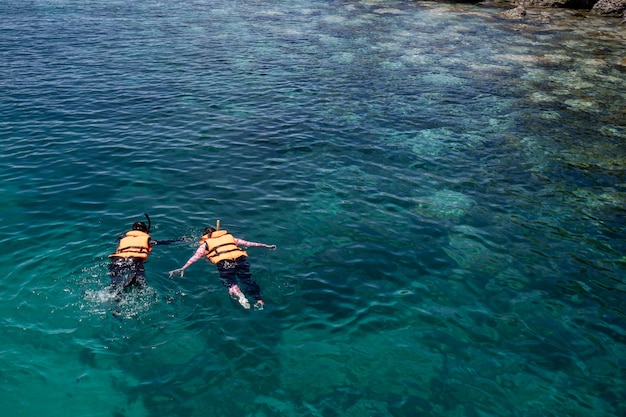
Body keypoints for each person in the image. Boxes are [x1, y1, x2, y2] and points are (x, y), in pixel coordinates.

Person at [169, 224, 276, 310]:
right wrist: (266, 246)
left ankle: (240, 297)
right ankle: (259, 300)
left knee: (231, 282)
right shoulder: (230, 238)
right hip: (240, 260)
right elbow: (249, 243)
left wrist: (183, 268)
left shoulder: (205, 243)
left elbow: (196, 256)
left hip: (225, 263)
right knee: (247, 280)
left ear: (205, 235)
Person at [109, 216, 183, 294]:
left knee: (115, 283)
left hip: (117, 260)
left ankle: (115, 296)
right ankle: (134, 282)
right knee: (141, 282)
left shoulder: (122, 239)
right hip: (134, 260)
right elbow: (164, 242)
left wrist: (119, 236)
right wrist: (179, 240)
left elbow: (116, 240)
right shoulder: (147, 240)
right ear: (145, 231)